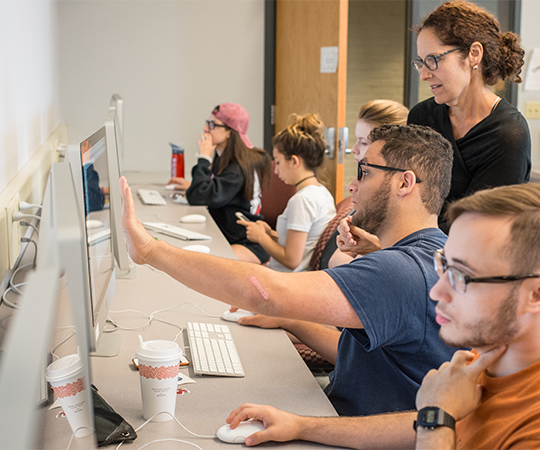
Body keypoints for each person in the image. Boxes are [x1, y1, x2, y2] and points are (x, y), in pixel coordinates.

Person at [222, 183, 540, 449]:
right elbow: (422, 423)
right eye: (443, 266)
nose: (437, 292)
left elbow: (436, 420)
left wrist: (436, 416)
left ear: (538, 294)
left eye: (462, 276)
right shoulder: (496, 353)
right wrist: (302, 426)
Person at [120, 124, 456, 416]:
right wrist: (291, 320)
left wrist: (151, 251)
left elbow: (266, 293)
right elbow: (366, 360)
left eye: (364, 172)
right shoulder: (436, 255)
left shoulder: (400, 270)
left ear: (404, 183)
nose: (353, 186)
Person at [407, 0, 531, 232]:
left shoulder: (508, 134)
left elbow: (479, 223)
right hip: (415, 246)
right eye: (422, 63)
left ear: (474, 54)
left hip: (471, 257)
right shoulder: (422, 116)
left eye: (433, 60)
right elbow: (407, 195)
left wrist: (402, 242)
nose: (424, 75)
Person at [167, 102, 271, 264]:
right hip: (228, 234)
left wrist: (203, 158)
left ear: (230, 132)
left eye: (213, 125)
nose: (206, 129)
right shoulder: (224, 159)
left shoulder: (237, 168)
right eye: (207, 123)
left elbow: (199, 198)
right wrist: (193, 187)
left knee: (201, 265)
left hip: (246, 243)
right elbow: (211, 191)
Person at [237, 113, 336, 272]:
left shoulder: (303, 200)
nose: (275, 170)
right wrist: (270, 234)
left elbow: (292, 260)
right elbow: (303, 243)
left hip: (286, 280)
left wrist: (261, 238)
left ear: (294, 161)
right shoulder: (322, 192)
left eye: (278, 162)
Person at [324, 99, 409, 269]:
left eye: (363, 142)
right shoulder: (366, 201)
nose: (354, 149)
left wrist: (372, 251)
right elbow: (335, 261)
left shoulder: (401, 208)